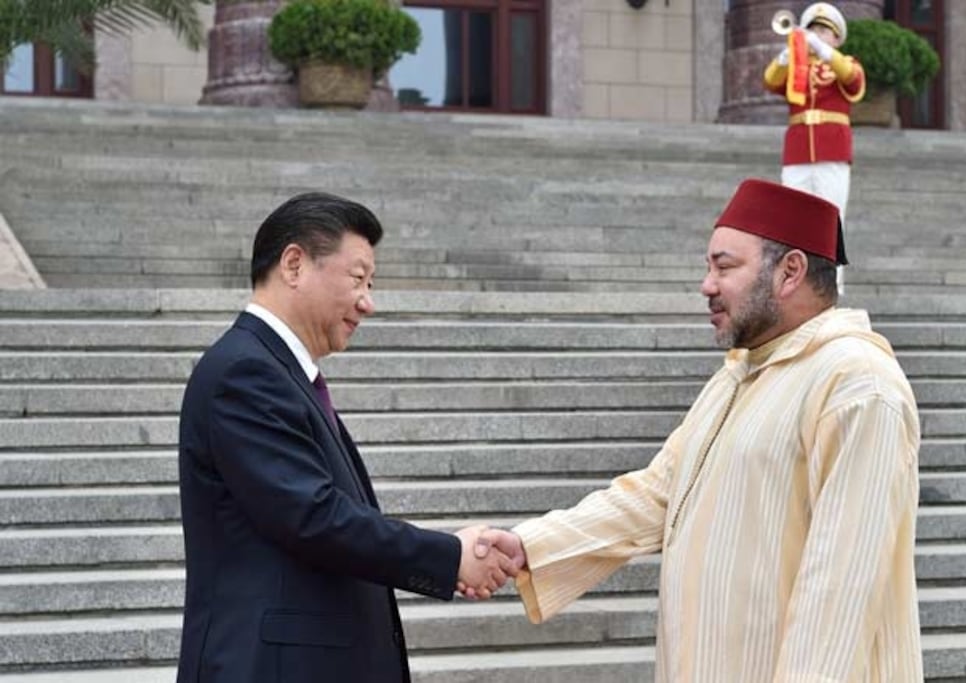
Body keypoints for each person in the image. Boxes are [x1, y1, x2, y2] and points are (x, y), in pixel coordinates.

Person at [476, 179, 923, 681]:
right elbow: (657, 495)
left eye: (724, 266)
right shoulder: (741, 373)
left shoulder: (857, 384)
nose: (706, 285)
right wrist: (531, 546)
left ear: (790, 271)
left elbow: (842, 585)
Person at [175, 192, 519, 683]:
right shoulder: (245, 373)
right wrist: (450, 557)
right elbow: (314, 517)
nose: (368, 303)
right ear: (294, 264)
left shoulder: (278, 374)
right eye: (358, 279)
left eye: (371, 283)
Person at [762, 2, 865, 293]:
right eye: (812, 31)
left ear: (835, 38)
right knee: (792, 220)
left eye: (823, 31)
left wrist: (822, 51)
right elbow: (770, 81)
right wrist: (785, 56)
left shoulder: (845, 63)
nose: (817, 36)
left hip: (831, 150)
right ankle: (796, 283)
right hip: (797, 153)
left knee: (831, 218)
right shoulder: (797, 69)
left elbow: (854, 80)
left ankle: (832, 285)